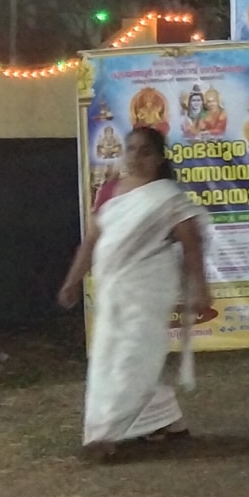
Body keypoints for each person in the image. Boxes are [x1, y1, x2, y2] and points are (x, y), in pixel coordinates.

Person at [58, 126, 213, 462]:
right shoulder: (111, 191)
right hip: (113, 291)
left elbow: (191, 244)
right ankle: (168, 421)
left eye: (145, 151)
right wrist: (73, 280)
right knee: (109, 357)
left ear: (158, 159)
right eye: (131, 149)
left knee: (132, 355)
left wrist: (201, 288)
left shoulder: (167, 196)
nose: (136, 157)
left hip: (147, 290)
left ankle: (105, 433)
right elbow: (92, 240)